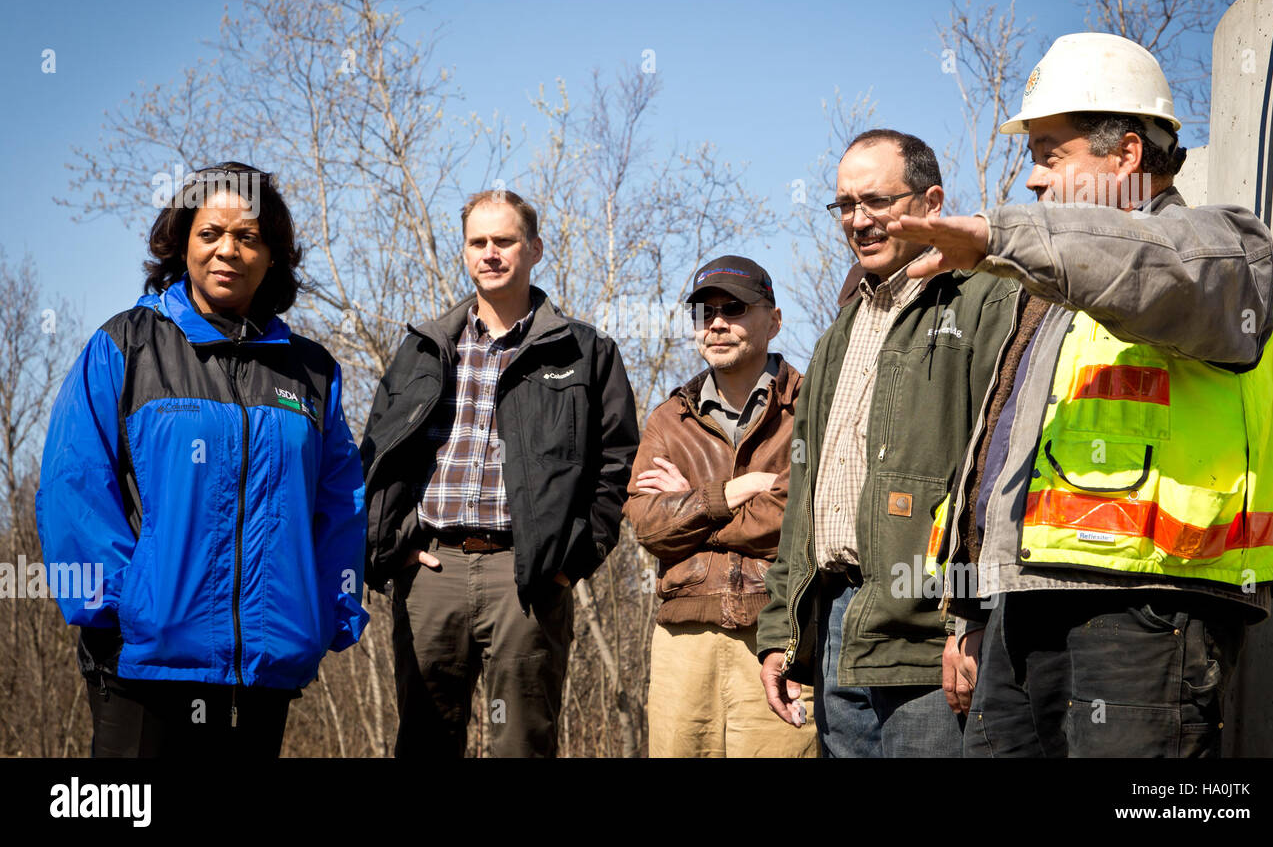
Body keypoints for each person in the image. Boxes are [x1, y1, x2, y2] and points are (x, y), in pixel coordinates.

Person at [899, 32, 1273, 757]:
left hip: (1150, 603)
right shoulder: (1048, 297)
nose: (1033, 181)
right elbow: (998, 457)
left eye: (1051, 154)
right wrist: (971, 607)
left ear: (1126, 154)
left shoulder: (1222, 251)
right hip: (1027, 602)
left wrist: (999, 237)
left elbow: (1140, 263)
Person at [37, 163, 368, 757]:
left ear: (273, 256)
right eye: (210, 233)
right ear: (182, 242)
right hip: (143, 664)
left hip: (266, 668)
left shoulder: (313, 372)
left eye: (248, 237)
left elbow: (339, 504)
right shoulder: (124, 346)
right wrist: (117, 612)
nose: (228, 251)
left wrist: (323, 615)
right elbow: (73, 485)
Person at [755, 130, 1019, 757]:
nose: (858, 220)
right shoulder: (838, 333)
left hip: (931, 635)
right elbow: (805, 497)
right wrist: (781, 635)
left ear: (931, 202)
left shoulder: (985, 298)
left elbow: (999, 475)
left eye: (876, 201)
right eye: (845, 205)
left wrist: (973, 617)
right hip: (840, 624)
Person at [362, 188, 639, 758]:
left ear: (534, 248)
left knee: (522, 745)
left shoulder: (584, 351)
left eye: (504, 241)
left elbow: (617, 467)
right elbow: (376, 453)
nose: (490, 253)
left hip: (527, 580)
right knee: (423, 744)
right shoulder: (423, 348)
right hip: (431, 570)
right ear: (464, 252)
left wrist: (569, 562)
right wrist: (389, 546)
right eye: (477, 242)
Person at [625, 256, 817, 757]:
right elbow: (647, 525)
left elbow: (796, 516)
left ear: (774, 320)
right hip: (681, 642)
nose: (716, 323)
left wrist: (689, 507)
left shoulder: (812, 405)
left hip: (778, 633)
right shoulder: (669, 419)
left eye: (733, 308)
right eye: (704, 312)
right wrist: (727, 495)